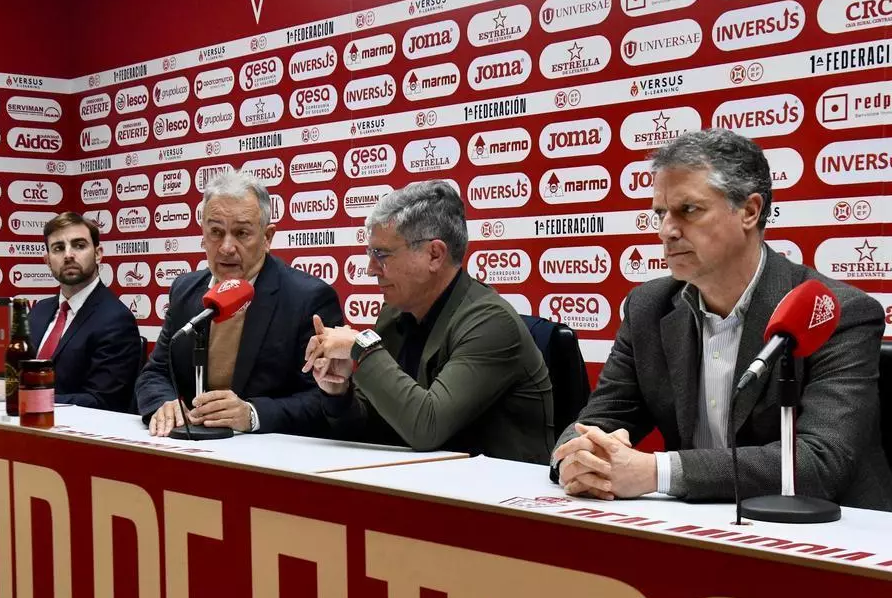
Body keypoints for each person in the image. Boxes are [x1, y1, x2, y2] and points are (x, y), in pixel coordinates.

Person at [552, 129, 892, 509]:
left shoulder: (833, 312)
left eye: (688, 210)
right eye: (661, 213)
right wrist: (577, 457)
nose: (666, 231)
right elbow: (599, 420)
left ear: (749, 211)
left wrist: (657, 472)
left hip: (827, 528)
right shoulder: (647, 307)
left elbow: (820, 461)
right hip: (696, 523)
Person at [303, 180, 554, 462]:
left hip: (496, 486)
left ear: (434, 254)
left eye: (381, 254)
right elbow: (372, 427)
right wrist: (338, 393)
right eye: (370, 253)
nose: (371, 269)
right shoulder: (394, 313)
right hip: (418, 479)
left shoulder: (492, 323)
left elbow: (427, 427)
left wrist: (362, 347)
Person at [136, 170, 343, 436]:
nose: (226, 247)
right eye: (216, 232)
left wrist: (253, 414)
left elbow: (326, 398)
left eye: (241, 233)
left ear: (267, 237)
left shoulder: (308, 299)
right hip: (188, 447)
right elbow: (154, 373)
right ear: (203, 234)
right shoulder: (185, 290)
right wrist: (164, 403)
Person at [0, 212, 141, 411]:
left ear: (98, 253)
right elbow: (16, 373)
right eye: (58, 248)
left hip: (76, 428)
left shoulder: (116, 320)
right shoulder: (39, 311)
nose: (68, 255)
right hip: (20, 421)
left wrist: (22, 394)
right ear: (47, 260)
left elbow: (102, 402)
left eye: (79, 245)